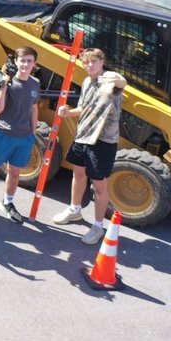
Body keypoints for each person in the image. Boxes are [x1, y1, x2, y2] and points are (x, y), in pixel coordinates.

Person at [52, 49, 128, 245]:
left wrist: (114, 77)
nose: (89, 66)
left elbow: (122, 83)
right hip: (83, 136)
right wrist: (67, 112)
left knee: (100, 186)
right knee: (78, 174)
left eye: (94, 62)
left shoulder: (111, 83)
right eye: (85, 63)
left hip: (103, 141)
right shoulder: (86, 82)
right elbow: (83, 108)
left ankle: (97, 226)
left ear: (103, 61)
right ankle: (74, 210)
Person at [0, 46, 41, 224]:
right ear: (15, 61)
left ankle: (7, 203)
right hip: (3, 133)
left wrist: (33, 130)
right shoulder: (7, 82)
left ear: (34, 64)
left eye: (29, 61)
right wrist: (4, 85)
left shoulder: (35, 83)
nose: (25, 64)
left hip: (24, 137)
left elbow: (34, 107)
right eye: (22, 60)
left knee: (15, 172)